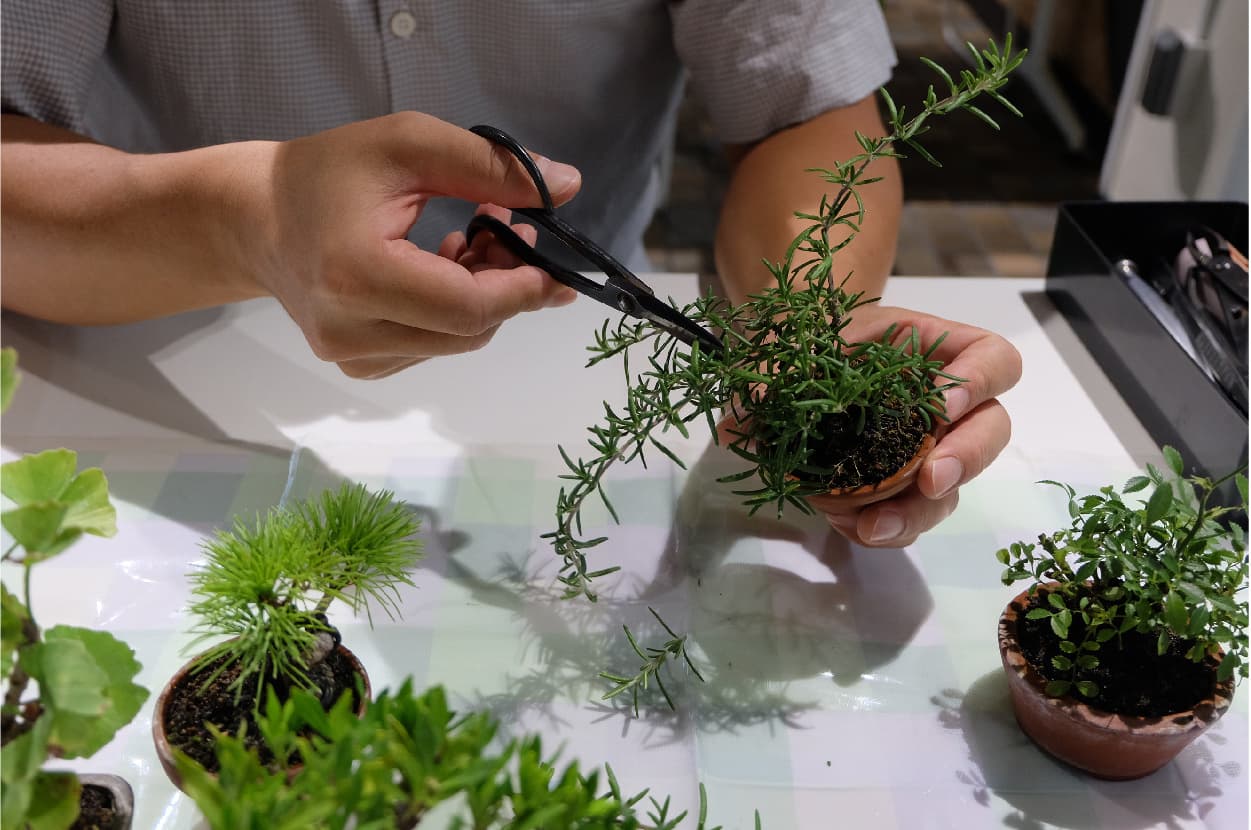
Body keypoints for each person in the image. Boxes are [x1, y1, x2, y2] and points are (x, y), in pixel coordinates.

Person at [0, 1, 1019, 548]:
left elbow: (809, 106)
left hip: (578, 362)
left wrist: (802, 328)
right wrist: (248, 219)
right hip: (136, 348)